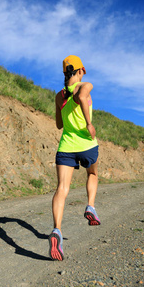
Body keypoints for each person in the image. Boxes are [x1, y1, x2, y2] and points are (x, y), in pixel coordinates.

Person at [49, 55, 101, 261]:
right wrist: (88, 123)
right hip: (87, 144)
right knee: (93, 173)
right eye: (82, 71)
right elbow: (81, 96)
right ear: (79, 71)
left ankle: (57, 231)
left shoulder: (59, 96)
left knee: (62, 189)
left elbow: (59, 125)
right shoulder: (85, 85)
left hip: (66, 147)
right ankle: (90, 206)